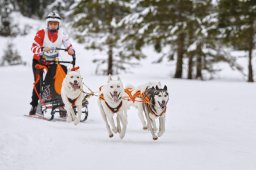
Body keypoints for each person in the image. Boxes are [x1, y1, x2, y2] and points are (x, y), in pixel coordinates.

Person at [29, 11, 75, 115]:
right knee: (38, 82)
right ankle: (35, 105)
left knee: (58, 80)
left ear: (58, 24)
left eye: (55, 23)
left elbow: (68, 44)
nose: (53, 25)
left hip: (52, 61)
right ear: (48, 24)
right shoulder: (41, 33)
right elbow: (33, 47)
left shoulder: (62, 34)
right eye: (51, 23)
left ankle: (59, 104)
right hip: (39, 61)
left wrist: (70, 49)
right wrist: (42, 49)